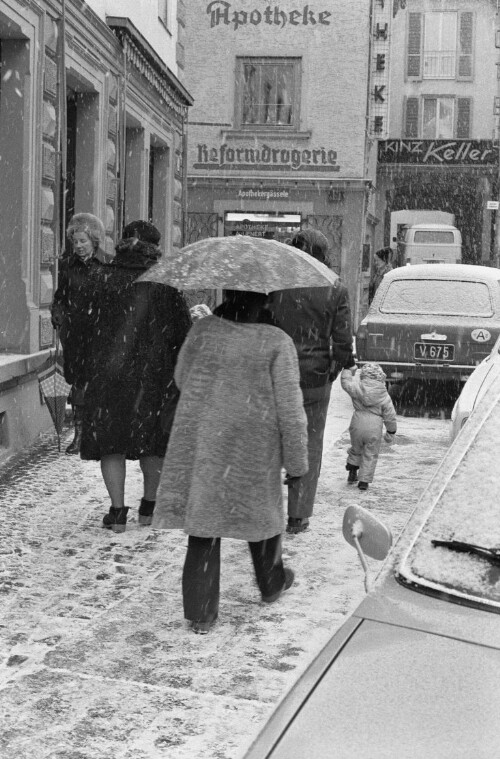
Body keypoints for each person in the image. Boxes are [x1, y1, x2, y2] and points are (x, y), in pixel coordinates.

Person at [152, 290, 309, 634]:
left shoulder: (204, 329)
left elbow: (181, 377)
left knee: (204, 523)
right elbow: (291, 410)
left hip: (206, 437)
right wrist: (297, 463)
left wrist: (216, 396)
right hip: (253, 443)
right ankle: (272, 583)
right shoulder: (276, 341)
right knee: (262, 517)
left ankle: (201, 611)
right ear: (266, 299)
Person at [80, 220, 192, 533]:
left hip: (109, 374)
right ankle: (149, 507)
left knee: (111, 443)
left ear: (121, 244)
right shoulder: (165, 283)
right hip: (153, 377)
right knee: (152, 442)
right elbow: (184, 335)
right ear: (154, 248)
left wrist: (84, 369)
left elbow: (84, 329)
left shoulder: (101, 277)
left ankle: (117, 512)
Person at [268, 229, 355, 534]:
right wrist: (334, 365)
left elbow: (263, 324)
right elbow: (344, 339)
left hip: (277, 374)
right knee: (309, 444)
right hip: (315, 378)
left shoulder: (277, 282)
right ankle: (298, 514)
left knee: (273, 441)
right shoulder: (334, 286)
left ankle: (267, 509)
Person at [51, 213, 113, 454]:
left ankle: (97, 432)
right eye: (75, 241)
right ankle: (79, 435)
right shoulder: (68, 266)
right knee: (78, 384)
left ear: (94, 241)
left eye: (82, 241)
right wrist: (57, 313)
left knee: (98, 383)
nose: (77, 246)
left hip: (100, 334)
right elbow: (59, 298)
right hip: (75, 335)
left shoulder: (107, 264)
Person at [341, 362, 397, 491]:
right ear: (381, 378)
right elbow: (390, 416)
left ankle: (352, 472)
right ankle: (364, 481)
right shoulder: (384, 395)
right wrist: (391, 432)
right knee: (370, 453)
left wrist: (347, 370)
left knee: (356, 448)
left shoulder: (357, 388)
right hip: (374, 427)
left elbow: (345, 384)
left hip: (357, 424)